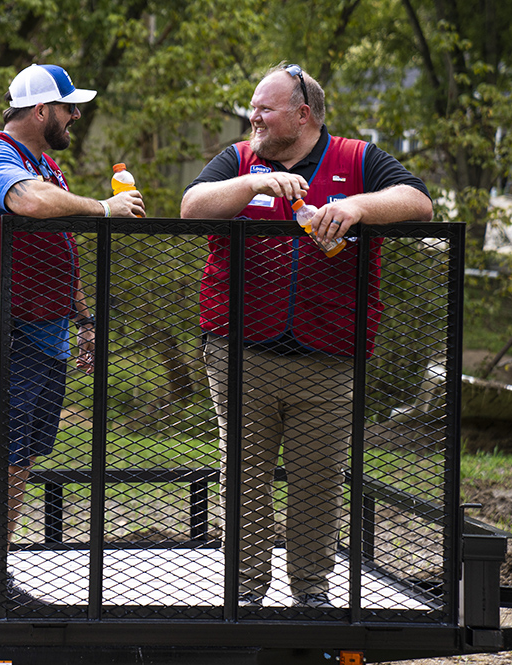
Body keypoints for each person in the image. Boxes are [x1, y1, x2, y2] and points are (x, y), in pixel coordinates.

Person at [180, 63, 432, 609]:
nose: (254, 117)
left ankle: (311, 595)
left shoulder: (358, 159)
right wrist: (253, 183)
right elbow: (191, 206)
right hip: (239, 351)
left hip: (330, 355)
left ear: (303, 114)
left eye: (265, 109)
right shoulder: (238, 159)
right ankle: (244, 594)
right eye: (253, 107)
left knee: (318, 479)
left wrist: (355, 207)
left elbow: (419, 202)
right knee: (243, 476)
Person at [0, 63, 146, 620]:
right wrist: (103, 208)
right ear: (40, 111)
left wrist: (82, 319)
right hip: (2, 334)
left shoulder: (45, 164)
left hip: (45, 334)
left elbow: (60, 248)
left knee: (20, 465)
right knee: (0, 463)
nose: (75, 116)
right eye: (68, 107)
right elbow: (28, 204)